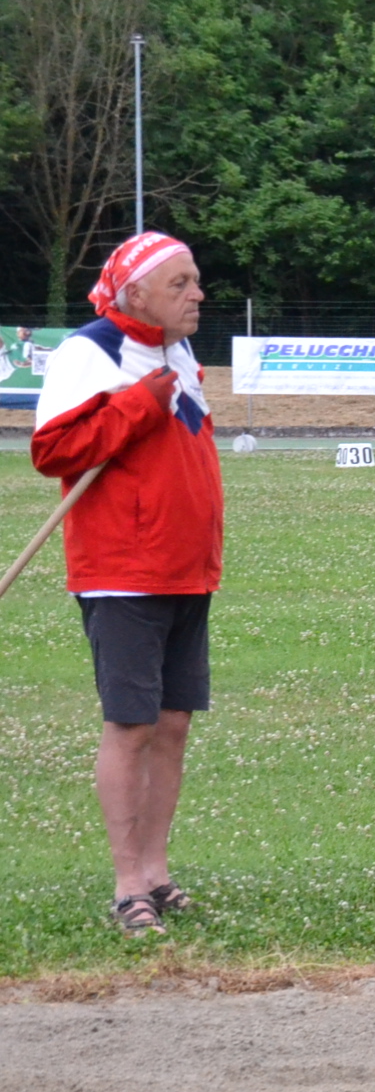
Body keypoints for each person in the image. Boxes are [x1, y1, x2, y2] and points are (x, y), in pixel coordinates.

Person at [28, 232, 220, 937]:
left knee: (172, 725)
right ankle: (127, 885)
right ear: (136, 293)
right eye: (180, 283)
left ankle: (158, 874)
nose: (197, 294)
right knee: (132, 725)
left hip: (187, 568)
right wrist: (139, 404)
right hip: (123, 572)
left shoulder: (178, 351)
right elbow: (52, 450)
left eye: (195, 280)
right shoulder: (91, 352)